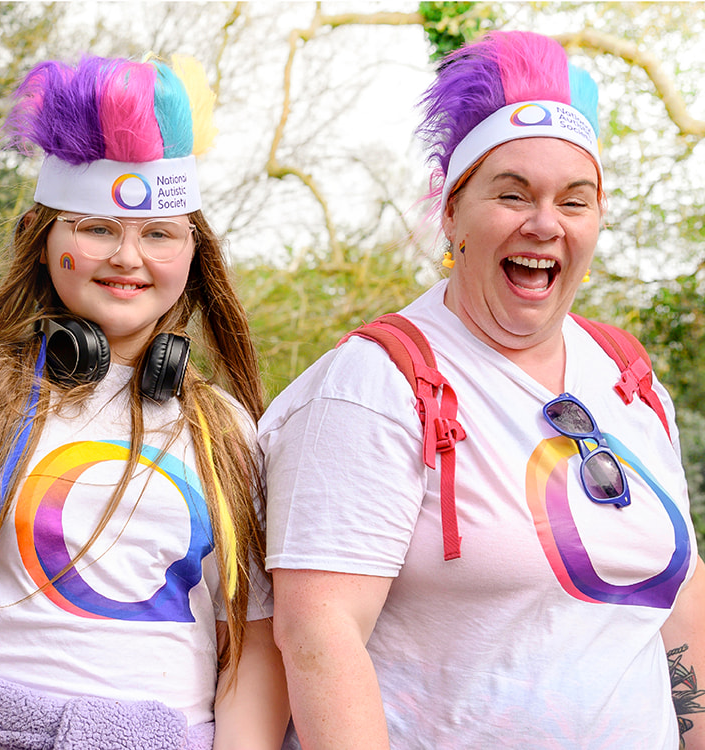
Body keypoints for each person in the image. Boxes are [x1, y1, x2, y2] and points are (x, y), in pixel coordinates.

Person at [0, 54, 289, 750]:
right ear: (44, 243)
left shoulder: (226, 430)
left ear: (194, 255)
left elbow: (252, 650)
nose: (127, 257)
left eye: (158, 233)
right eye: (96, 228)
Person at [259, 30, 705, 748]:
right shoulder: (372, 384)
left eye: (574, 200)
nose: (543, 224)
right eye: (512, 193)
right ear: (452, 213)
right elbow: (319, 634)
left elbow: (679, 603)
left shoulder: (630, 379)